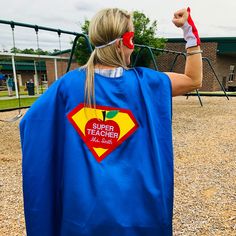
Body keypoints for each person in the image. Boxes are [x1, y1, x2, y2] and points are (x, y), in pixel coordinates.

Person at [20, 7, 202, 236]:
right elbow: (194, 79)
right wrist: (189, 32)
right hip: (139, 216)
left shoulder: (67, 87)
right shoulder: (147, 84)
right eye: (132, 38)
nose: (133, 46)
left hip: (82, 217)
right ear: (121, 43)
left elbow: (31, 123)